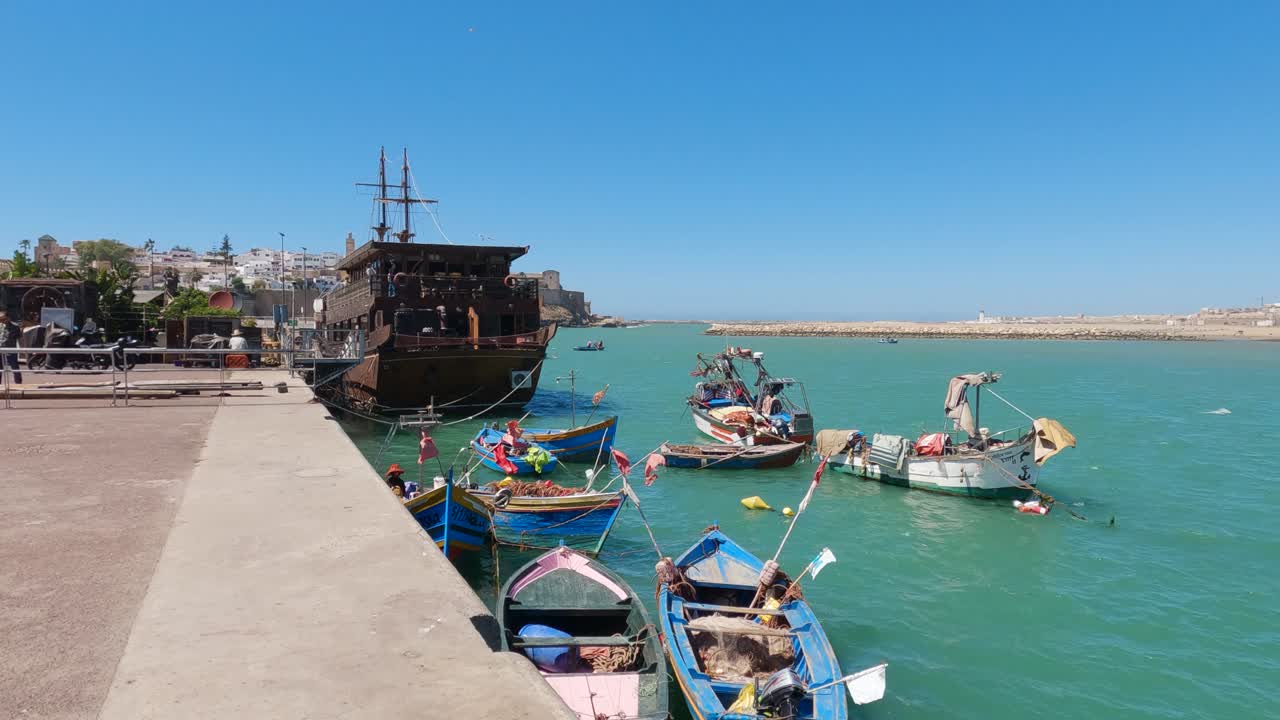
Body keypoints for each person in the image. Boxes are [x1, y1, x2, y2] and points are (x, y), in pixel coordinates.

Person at [0, 311, 21, 384]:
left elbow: (19, 338)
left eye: (3, 319)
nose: (2, 321)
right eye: (0, 319)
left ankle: (18, 383)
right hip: (1, 350)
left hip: (10, 349)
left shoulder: (15, 327)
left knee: (15, 367)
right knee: (0, 368)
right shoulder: (0, 325)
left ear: (8, 318)